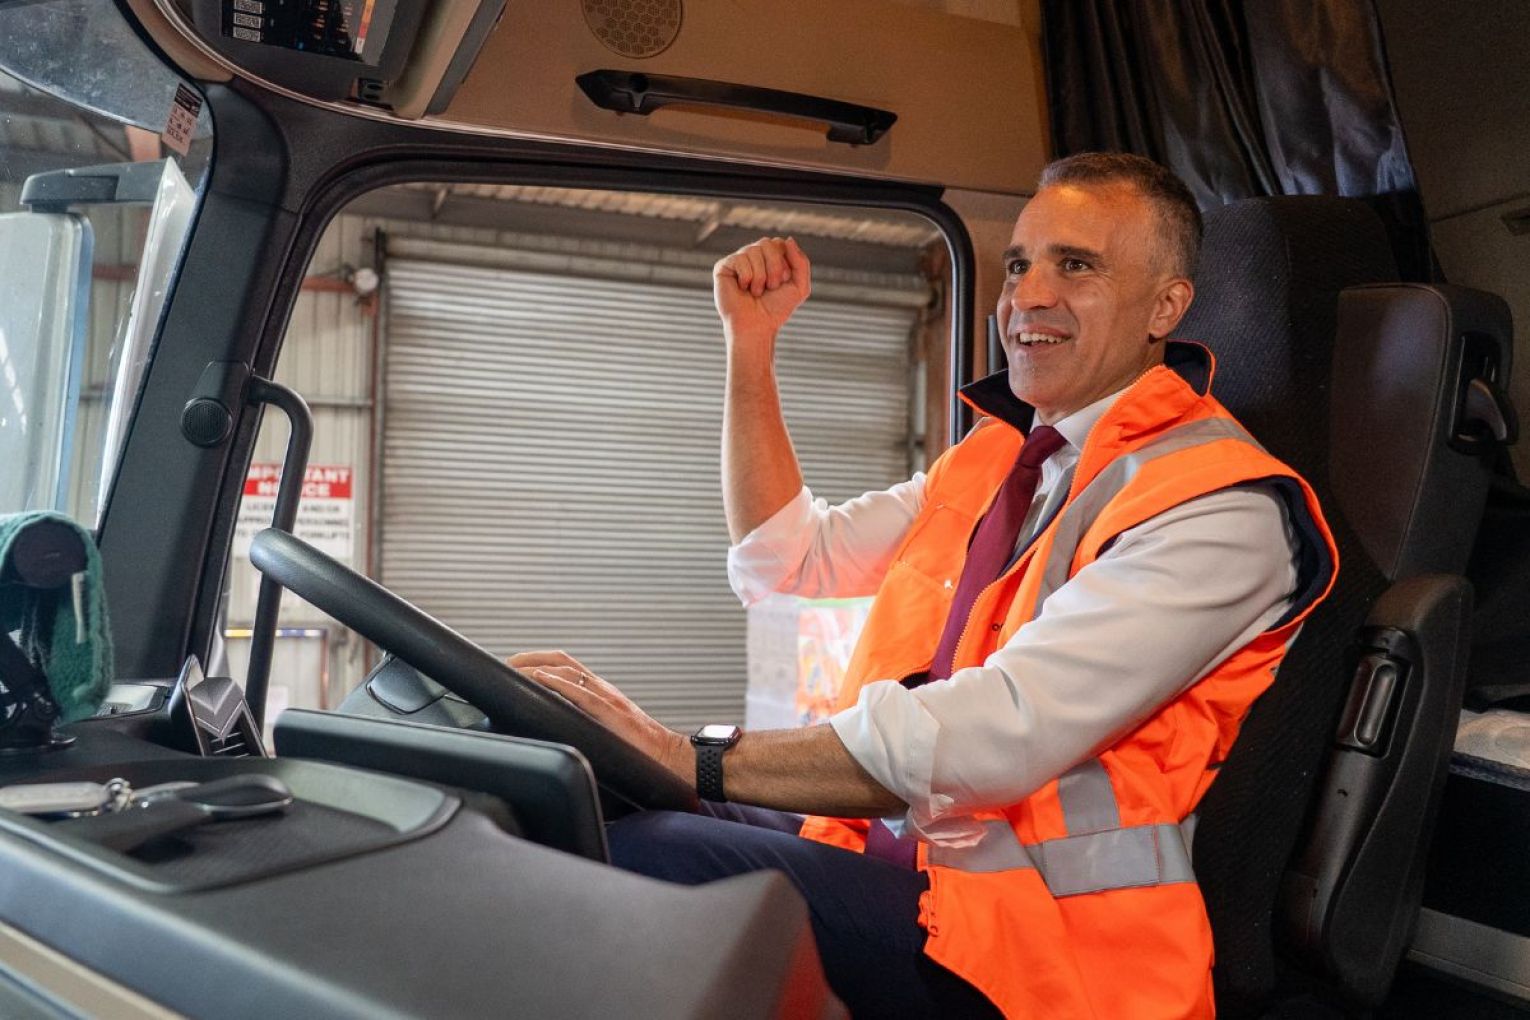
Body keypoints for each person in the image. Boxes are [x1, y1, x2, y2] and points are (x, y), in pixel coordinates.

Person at [511, 153, 1338, 1019]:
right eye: (1018, 264)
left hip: (1051, 944)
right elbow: (786, 560)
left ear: (1165, 308)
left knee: (657, 860)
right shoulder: (996, 458)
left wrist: (693, 753)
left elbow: (991, 736)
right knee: (595, 799)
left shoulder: (1221, 508)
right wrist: (750, 346)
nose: (1028, 296)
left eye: (1076, 266)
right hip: (907, 855)